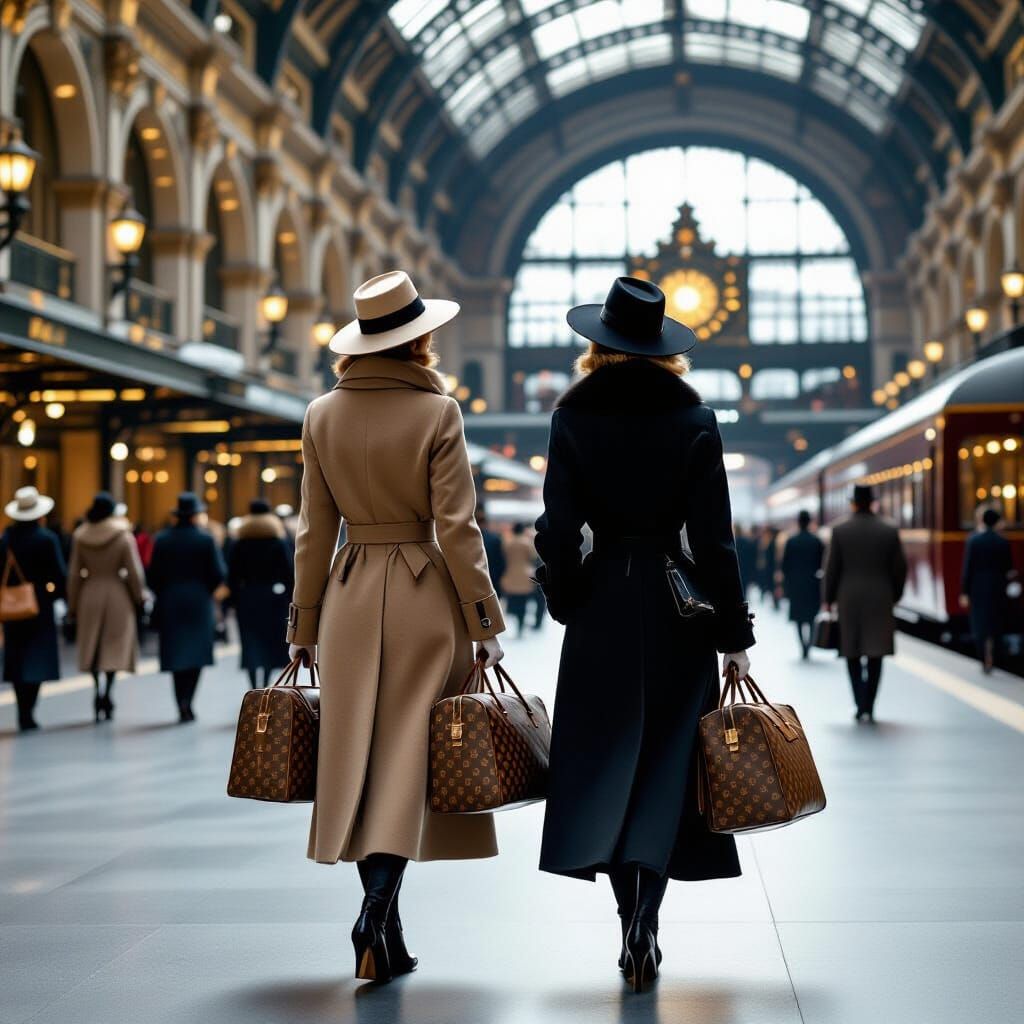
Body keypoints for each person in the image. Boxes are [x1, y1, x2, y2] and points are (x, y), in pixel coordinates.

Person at [533, 277, 755, 993]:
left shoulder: (572, 416)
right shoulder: (694, 418)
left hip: (602, 603)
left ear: (597, 345)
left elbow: (557, 530)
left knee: (601, 760)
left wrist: (566, 597)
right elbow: (714, 539)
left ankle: (625, 914)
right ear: (665, 351)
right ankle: (647, 922)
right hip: (675, 606)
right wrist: (733, 634)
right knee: (665, 764)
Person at [285, 271, 506, 984]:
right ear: (419, 340)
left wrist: (303, 624)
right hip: (422, 598)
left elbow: (314, 531)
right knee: (408, 759)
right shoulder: (438, 412)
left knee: (358, 756)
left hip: (348, 595)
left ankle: (386, 931)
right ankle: (378, 909)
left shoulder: (320, 414)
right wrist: (484, 619)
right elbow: (458, 527)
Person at [823, 484, 907, 722]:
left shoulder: (840, 530)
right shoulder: (889, 529)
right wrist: (894, 595)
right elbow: (900, 568)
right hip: (880, 598)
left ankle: (859, 703)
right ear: (872, 502)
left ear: (853, 503)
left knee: (851, 651)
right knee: (875, 654)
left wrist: (828, 599)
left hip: (848, 598)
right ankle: (870, 704)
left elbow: (831, 569)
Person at [147, 493, 226, 723]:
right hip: (199, 602)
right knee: (197, 654)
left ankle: (180, 701)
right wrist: (205, 589)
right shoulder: (206, 539)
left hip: (170, 601)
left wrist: (165, 591)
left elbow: (152, 575)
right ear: (194, 516)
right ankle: (188, 701)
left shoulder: (162, 539)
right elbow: (219, 573)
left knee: (175, 655)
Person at [67, 492, 146, 721]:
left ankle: (96, 687)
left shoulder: (80, 536)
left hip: (89, 593)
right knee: (113, 646)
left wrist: (73, 603)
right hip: (117, 594)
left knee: (92, 644)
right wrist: (140, 596)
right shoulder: (123, 535)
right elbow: (134, 571)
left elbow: (74, 573)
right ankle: (108, 691)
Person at [1, 487, 67, 732]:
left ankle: (22, 709)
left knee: (16, 657)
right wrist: (55, 595)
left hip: (12, 604)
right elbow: (59, 574)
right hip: (40, 602)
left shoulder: (6, 539)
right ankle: (29, 710)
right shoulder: (46, 539)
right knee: (38, 656)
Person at [227, 499, 293, 688]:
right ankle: (265, 683)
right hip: (273, 598)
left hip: (247, 597)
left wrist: (234, 600)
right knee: (270, 641)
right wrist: (290, 598)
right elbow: (289, 573)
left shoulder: (240, 543)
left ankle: (253, 685)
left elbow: (232, 575)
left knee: (250, 642)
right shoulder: (278, 541)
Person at [960, 507, 1015, 673]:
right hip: (998, 588)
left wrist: (964, 592)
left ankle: (984, 659)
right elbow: (1008, 568)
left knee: (979, 624)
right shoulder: (1003, 542)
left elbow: (968, 568)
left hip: (977, 589)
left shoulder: (973, 540)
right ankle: (996, 658)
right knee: (996, 623)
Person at [781, 510, 825, 660]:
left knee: (799, 618)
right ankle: (809, 645)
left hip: (796, 585)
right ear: (809, 522)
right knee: (811, 617)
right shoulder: (816, 541)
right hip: (812, 583)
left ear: (798, 522)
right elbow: (822, 563)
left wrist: (786, 585)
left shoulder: (791, 541)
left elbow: (785, 566)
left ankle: (803, 646)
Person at [500, 523, 539, 636]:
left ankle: (515, 618)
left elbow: (503, 558)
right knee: (523, 602)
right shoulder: (527, 543)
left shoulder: (508, 543)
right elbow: (533, 557)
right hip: (524, 575)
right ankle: (521, 624)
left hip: (510, 574)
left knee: (513, 600)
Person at [475, 506, 506, 600]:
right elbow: (501, 562)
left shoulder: (467, 540)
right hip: (492, 579)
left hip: (474, 581)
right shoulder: (495, 538)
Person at [734, 523, 757, 599]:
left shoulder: (734, 543)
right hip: (746, 570)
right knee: (744, 588)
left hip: (737, 569)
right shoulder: (748, 542)